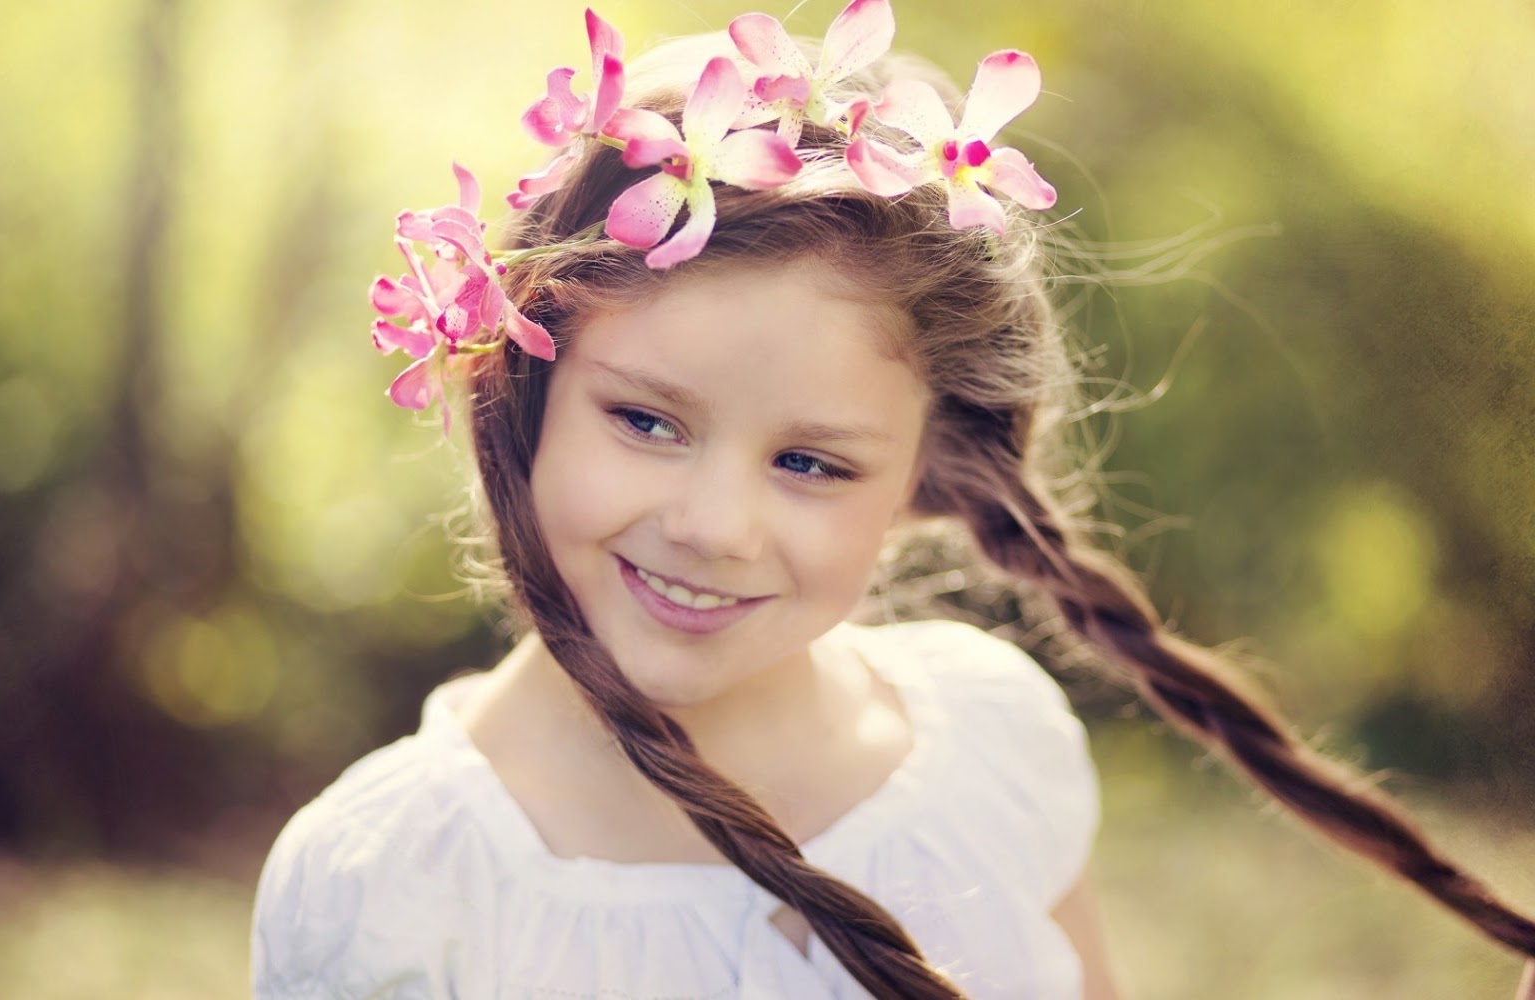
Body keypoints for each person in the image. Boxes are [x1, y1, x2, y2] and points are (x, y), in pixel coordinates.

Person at [250, 3, 1535, 997]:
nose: (712, 522)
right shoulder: (393, 880)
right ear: (523, 387)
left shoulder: (989, 743)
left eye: (811, 462)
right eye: (645, 420)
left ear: (922, 473)